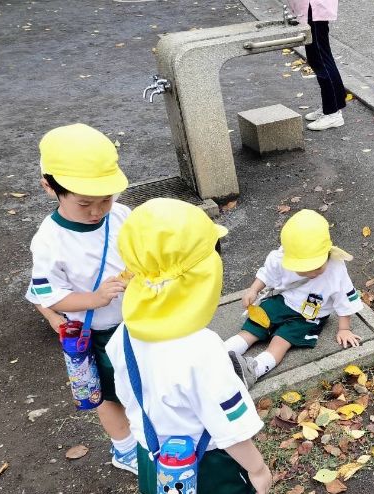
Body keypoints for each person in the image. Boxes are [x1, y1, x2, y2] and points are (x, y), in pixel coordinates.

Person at [106, 198, 272, 494]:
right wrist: (257, 469)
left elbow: (125, 395)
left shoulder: (123, 334)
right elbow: (230, 427)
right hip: (207, 467)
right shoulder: (203, 349)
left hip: (153, 461)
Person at [25, 123, 138, 474]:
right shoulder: (49, 241)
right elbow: (49, 296)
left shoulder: (120, 214)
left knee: (138, 386)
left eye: (106, 198)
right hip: (98, 334)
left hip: (136, 323)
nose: (98, 210)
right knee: (105, 395)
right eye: (85, 202)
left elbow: (139, 251)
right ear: (50, 187)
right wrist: (93, 299)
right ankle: (125, 449)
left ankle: (151, 436)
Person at [223, 209, 363, 387]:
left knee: (282, 340)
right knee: (255, 325)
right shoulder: (280, 258)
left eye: (317, 267)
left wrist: (344, 328)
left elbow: (343, 298)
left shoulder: (336, 268)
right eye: (303, 269)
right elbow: (267, 274)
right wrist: (253, 290)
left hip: (311, 315)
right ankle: (221, 353)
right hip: (284, 301)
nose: (311, 273)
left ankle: (253, 370)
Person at [287, 0, 347, 131]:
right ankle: (331, 105)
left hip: (312, 6)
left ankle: (332, 112)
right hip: (311, 6)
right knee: (318, 57)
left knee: (320, 58)